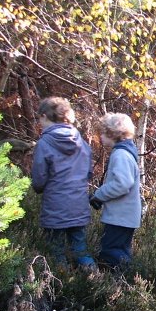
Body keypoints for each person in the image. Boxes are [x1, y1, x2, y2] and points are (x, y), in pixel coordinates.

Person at [31, 97, 96, 271]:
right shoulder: (82, 143)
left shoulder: (44, 144)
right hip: (79, 206)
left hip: (55, 208)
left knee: (56, 253)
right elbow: (88, 174)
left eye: (39, 119)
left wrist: (38, 188)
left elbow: (38, 180)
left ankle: (60, 284)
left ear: (44, 116)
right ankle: (95, 280)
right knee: (81, 250)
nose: (39, 123)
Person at [88, 113, 142, 267]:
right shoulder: (127, 151)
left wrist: (99, 195)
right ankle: (127, 283)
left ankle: (119, 285)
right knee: (120, 251)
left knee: (111, 252)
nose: (100, 137)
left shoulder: (121, 154)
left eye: (102, 133)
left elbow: (122, 184)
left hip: (120, 216)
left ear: (112, 133)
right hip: (126, 215)